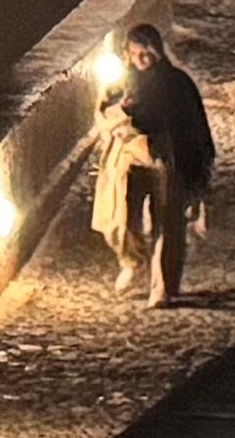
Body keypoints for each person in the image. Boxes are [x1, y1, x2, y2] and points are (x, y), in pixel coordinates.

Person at [93, 18, 218, 306]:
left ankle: (162, 287)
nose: (143, 59)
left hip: (167, 157)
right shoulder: (120, 84)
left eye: (148, 53)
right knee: (122, 218)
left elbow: (194, 125)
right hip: (129, 158)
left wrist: (199, 168)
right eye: (137, 54)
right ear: (128, 53)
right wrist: (119, 112)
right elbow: (102, 115)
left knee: (167, 222)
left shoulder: (176, 83)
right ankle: (131, 260)